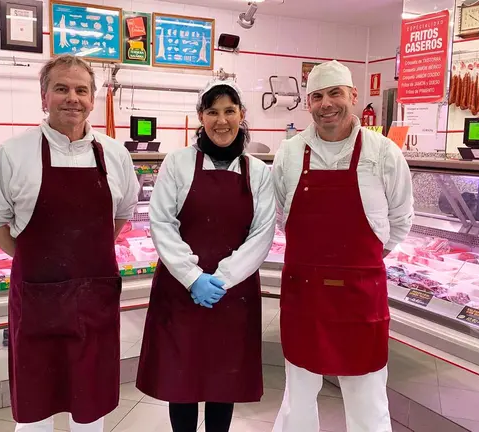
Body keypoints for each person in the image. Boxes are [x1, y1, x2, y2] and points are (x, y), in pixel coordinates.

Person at [0, 54, 139, 432]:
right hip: (38, 299)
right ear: (44, 97)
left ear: (93, 99)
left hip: (94, 297)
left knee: (90, 404)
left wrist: (90, 254)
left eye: (81, 90)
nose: (72, 98)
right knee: (36, 404)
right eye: (61, 88)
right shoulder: (14, 153)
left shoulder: (114, 154)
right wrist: (30, 256)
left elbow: (123, 212)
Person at [271, 60, 414, 432]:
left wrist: (364, 262)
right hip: (304, 292)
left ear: (353, 95)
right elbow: (278, 214)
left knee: (366, 393)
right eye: (317, 96)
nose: (326, 104)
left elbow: (400, 219)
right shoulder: (288, 153)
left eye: (335, 93)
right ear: (308, 103)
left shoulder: (383, 153)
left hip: (359, 293)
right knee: (298, 390)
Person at [136, 79, 275, 432]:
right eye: (212, 112)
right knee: (181, 382)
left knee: (223, 379)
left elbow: (262, 233)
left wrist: (224, 278)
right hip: (181, 289)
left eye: (230, 111)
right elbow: (161, 221)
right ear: (200, 117)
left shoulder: (257, 172)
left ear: (241, 115)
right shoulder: (178, 162)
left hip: (234, 292)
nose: (222, 120)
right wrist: (193, 276)